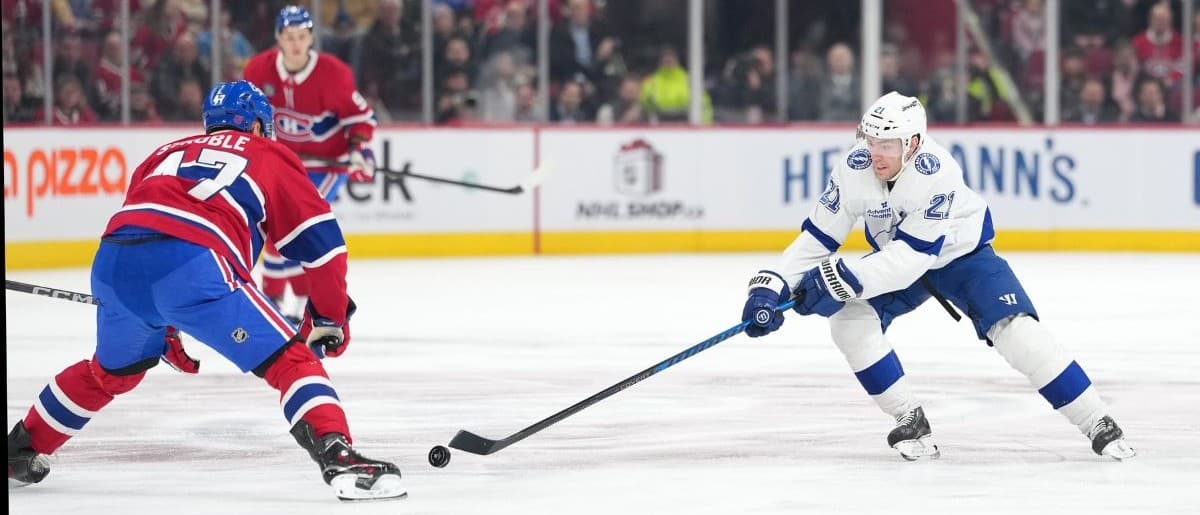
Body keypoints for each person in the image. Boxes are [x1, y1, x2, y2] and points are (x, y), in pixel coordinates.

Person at [6, 80, 406, 501]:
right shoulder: (268, 153)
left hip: (112, 264)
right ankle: (338, 455)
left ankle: (21, 447)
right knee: (292, 359)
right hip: (195, 261)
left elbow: (147, 228)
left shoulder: (162, 154)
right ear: (257, 125)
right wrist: (328, 317)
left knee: (109, 373)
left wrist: (165, 325)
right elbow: (324, 248)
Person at [739, 91, 1136, 462]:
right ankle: (908, 418)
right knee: (848, 321)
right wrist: (771, 284)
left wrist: (842, 278)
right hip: (898, 258)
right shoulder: (854, 167)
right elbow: (818, 237)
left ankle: (1096, 420)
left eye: (887, 144)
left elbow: (914, 257)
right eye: (870, 140)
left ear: (912, 144)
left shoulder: (936, 171)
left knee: (1017, 333)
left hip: (960, 256)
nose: (875, 153)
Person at [242, 5, 377, 323]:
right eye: (289, 37)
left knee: (296, 225)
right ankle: (274, 299)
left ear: (312, 38)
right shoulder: (258, 71)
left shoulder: (334, 74)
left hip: (325, 168)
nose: (295, 44)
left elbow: (360, 119)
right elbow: (247, 118)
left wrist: (359, 149)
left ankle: (299, 301)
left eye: (302, 37)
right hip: (280, 165)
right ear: (278, 37)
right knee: (273, 228)